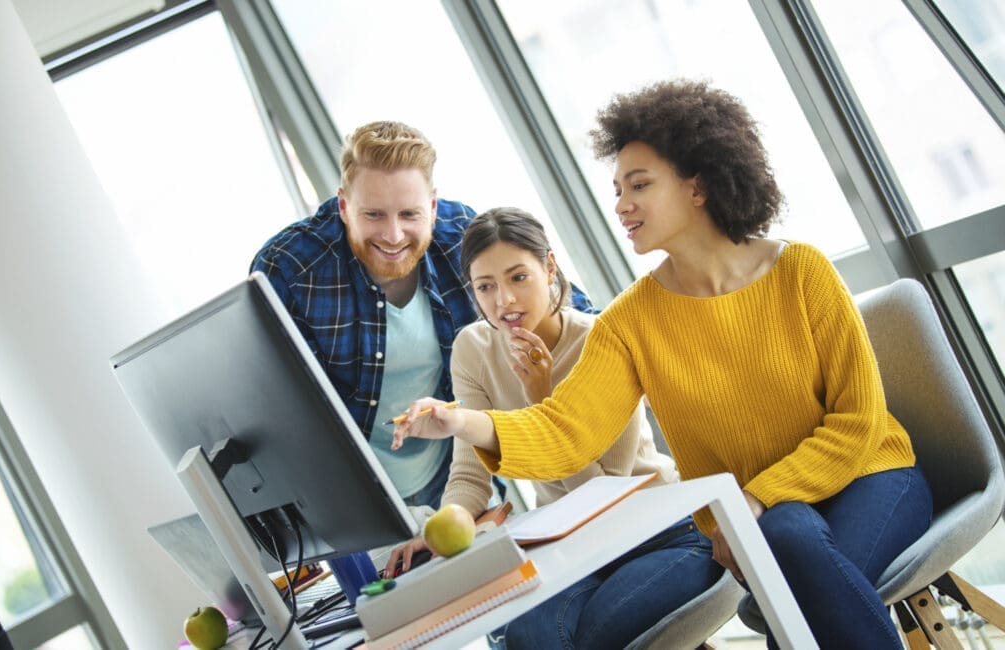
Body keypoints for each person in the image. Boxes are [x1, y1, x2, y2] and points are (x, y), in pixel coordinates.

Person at [391, 81, 933, 648]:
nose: (621, 205)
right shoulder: (632, 320)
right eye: (618, 188)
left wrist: (754, 497)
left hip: (871, 476)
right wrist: (461, 421)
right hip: (765, 518)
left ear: (698, 185)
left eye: (639, 185)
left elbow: (858, 420)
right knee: (788, 547)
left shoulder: (802, 271)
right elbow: (568, 429)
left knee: (788, 554)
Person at [385, 207, 721, 648]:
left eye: (518, 277)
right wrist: (440, 529)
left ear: (548, 267)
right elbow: (470, 472)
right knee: (528, 635)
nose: (503, 301)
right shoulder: (473, 348)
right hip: (574, 547)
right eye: (486, 286)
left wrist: (542, 398)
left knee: (596, 636)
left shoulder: (599, 339)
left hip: (658, 530)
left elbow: (605, 494)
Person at [250, 121, 593, 509]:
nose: (394, 235)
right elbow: (277, 406)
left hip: (452, 472)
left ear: (432, 205)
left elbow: (573, 315)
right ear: (344, 206)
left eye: (410, 214)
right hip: (346, 493)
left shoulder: (462, 236)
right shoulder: (290, 269)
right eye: (374, 215)